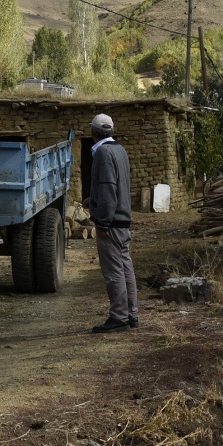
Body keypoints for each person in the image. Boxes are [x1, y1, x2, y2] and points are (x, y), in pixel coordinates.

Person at [88, 112, 138, 333]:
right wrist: (94, 199)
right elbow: (115, 185)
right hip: (123, 221)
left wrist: (103, 223)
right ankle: (131, 314)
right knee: (126, 269)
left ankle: (119, 317)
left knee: (114, 272)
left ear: (93, 133)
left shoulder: (103, 153)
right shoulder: (120, 150)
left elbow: (108, 187)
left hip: (112, 224)